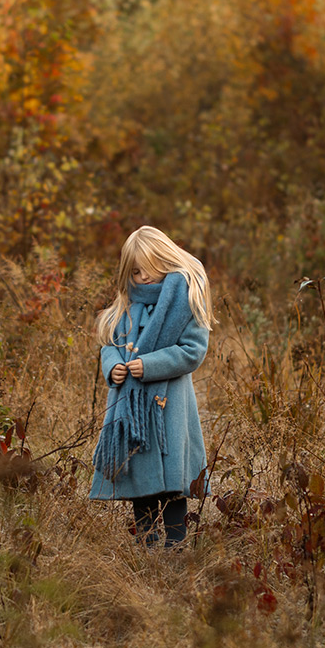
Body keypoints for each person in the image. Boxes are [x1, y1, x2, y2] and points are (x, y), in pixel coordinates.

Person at [90, 226, 214, 548]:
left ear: (165, 260)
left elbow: (192, 351)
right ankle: (147, 546)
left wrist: (150, 365)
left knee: (174, 484)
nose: (142, 276)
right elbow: (109, 345)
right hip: (132, 412)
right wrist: (113, 366)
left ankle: (175, 548)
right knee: (141, 481)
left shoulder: (185, 301)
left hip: (170, 407)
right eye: (134, 270)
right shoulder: (126, 305)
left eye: (148, 267)